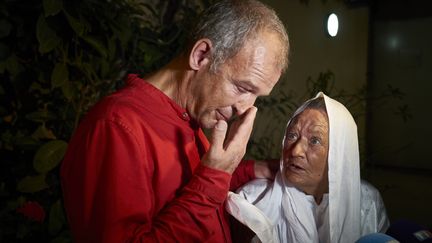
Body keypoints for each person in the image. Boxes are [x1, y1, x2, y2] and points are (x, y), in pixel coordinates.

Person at [60, 0, 289, 242]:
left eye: (256, 97)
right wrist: (213, 177)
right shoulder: (117, 126)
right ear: (201, 55)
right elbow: (204, 187)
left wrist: (249, 170)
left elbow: (183, 185)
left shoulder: (189, 119)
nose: (245, 108)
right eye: (242, 87)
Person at [226, 92, 390, 243]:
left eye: (314, 141)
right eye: (292, 135)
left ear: (340, 153)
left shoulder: (367, 201)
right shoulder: (253, 199)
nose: (295, 151)